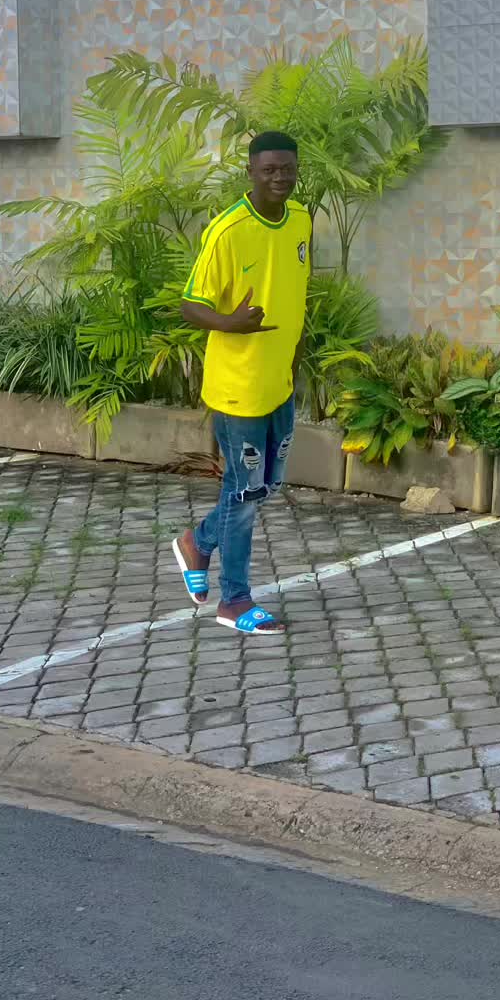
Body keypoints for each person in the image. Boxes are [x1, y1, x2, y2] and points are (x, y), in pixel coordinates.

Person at [172, 130, 311, 633]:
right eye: (269, 169)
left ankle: (197, 542)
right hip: (238, 386)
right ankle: (234, 601)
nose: (279, 177)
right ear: (250, 171)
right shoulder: (228, 231)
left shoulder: (301, 218)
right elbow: (190, 305)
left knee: (265, 485)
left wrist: (294, 359)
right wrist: (230, 323)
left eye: (287, 169)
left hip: (279, 380)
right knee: (245, 492)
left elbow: (295, 290)